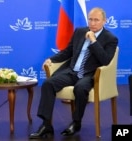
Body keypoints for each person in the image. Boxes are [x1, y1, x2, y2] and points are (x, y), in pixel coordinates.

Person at [29, 7, 118, 139]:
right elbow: (68, 52)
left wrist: (93, 41)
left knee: (80, 88)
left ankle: (76, 123)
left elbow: (105, 60)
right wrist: (51, 59)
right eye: (90, 19)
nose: (92, 23)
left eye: (96, 20)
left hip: (90, 74)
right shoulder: (79, 32)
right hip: (72, 71)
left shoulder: (110, 38)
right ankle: (46, 124)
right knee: (48, 83)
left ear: (104, 21)